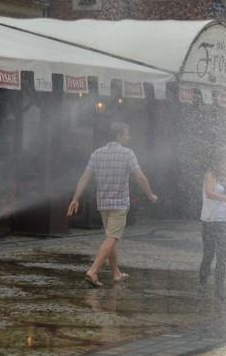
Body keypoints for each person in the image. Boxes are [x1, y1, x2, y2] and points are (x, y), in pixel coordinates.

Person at [67, 122, 158, 288]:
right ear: (118, 136)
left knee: (110, 237)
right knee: (112, 237)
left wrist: (75, 198)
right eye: (127, 134)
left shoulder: (97, 153)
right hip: (119, 203)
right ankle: (93, 271)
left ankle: (116, 273)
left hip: (103, 204)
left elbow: (84, 178)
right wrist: (150, 195)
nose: (128, 137)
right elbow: (140, 177)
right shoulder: (127, 153)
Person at [198, 155, 226, 299]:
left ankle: (219, 290)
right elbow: (209, 193)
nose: (225, 165)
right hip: (211, 221)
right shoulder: (210, 176)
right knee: (209, 254)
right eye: (222, 161)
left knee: (222, 256)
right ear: (217, 162)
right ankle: (202, 285)